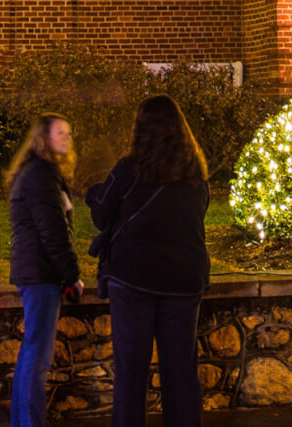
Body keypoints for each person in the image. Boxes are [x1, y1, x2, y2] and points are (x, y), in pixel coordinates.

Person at [87, 94, 209, 427]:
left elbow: (102, 214)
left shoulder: (128, 170)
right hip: (184, 281)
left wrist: (92, 194)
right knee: (181, 371)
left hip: (133, 280)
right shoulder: (195, 173)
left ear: (141, 129)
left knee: (131, 371)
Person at [6, 113, 83, 427]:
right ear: (43, 138)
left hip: (36, 272)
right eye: (59, 133)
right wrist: (71, 274)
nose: (66, 138)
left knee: (31, 354)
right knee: (37, 358)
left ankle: (23, 421)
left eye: (68, 132)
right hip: (40, 275)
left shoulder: (37, 173)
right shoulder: (41, 175)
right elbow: (53, 229)